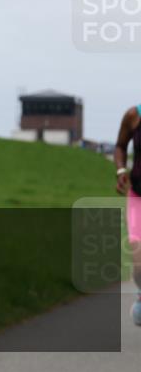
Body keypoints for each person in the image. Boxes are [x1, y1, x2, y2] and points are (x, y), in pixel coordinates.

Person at [114, 103, 141, 327]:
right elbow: (121, 146)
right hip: (138, 195)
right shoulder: (134, 115)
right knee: (138, 251)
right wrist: (121, 170)